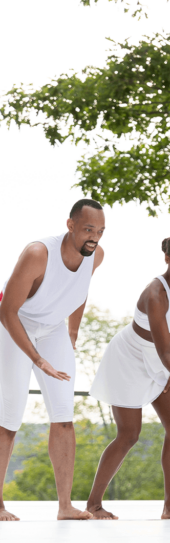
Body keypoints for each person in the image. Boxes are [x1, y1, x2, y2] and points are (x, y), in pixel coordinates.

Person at [86, 234, 170, 520]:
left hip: (164, 359)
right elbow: (163, 352)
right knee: (129, 434)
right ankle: (93, 504)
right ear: (167, 259)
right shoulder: (155, 294)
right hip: (131, 358)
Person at [0, 199, 106, 522]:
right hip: (14, 327)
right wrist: (37, 359)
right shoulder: (38, 254)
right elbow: (6, 311)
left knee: (63, 415)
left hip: (53, 330)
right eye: (89, 229)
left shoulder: (96, 255)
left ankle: (65, 506)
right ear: (70, 225)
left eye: (100, 231)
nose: (95, 238)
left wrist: (72, 331)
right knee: (9, 418)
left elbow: (79, 288)